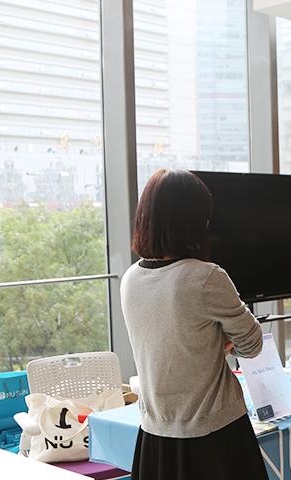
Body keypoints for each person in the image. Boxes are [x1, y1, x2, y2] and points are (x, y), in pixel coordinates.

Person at [121, 168, 268, 480]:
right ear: (190, 223)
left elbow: (171, 338)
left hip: (154, 437)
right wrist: (220, 342)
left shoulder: (130, 279)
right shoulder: (205, 277)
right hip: (215, 437)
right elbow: (252, 344)